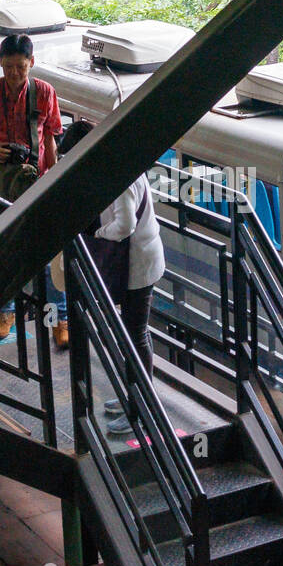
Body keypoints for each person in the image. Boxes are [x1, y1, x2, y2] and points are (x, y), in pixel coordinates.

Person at [59, 120, 165, 434]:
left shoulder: (120, 174)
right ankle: (134, 396)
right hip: (139, 259)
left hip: (140, 263)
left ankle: (140, 410)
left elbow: (124, 226)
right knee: (133, 334)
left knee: (136, 335)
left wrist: (96, 232)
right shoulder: (116, 162)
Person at [0, 34, 68, 347]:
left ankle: (57, 320)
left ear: (31, 63)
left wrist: (50, 176)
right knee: (2, 250)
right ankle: (5, 313)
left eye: (20, 67)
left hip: (34, 180)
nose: (13, 73)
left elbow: (51, 135)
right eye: (8, 66)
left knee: (49, 256)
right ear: (1, 63)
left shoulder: (44, 92)